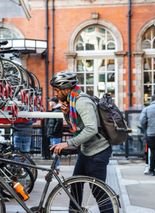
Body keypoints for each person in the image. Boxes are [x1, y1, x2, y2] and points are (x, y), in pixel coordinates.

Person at [49, 71, 112, 212]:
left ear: (66, 89)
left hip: (98, 151)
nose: (56, 94)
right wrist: (65, 113)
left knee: (98, 192)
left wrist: (68, 143)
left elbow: (91, 129)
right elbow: (75, 127)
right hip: (86, 150)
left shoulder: (82, 101)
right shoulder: (72, 101)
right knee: (76, 187)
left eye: (57, 90)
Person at [46, 96, 64, 172]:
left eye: (50, 101)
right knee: (55, 151)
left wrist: (53, 131)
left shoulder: (57, 111)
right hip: (54, 135)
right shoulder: (55, 110)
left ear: (53, 102)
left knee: (55, 152)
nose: (49, 103)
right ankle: (56, 167)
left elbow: (59, 122)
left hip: (55, 135)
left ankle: (56, 167)